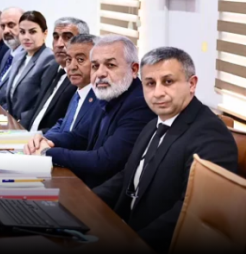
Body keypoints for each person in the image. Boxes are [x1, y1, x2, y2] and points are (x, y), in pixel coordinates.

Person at [93, 47, 238, 253]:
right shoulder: (155, 122)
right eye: (150, 83)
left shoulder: (211, 136)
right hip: (121, 230)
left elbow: (190, 211)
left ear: (192, 84)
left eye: (168, 82)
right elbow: (129, 175)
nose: (158, 92)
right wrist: (86, 201)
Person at [25, 35, 155, 188]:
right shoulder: (109, 93)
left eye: (110, 65)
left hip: (104, 194)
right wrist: (47, 140)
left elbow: (104, 160)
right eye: (95, 66)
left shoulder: (139, 104)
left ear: (133, 69)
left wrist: (47, 153)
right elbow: (80, 136)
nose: (100, 73)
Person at [25, 17, 89, 132]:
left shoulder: (81, 78)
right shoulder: (52, 67)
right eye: (56, 37)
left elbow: (67, 126)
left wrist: (36, 136)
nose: (59, 44)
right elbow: (37, 109)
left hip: (47, 139)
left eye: (68, 37)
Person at [43, 34, 103, 141]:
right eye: (68, 59)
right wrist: (44, 139)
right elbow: (64, 123)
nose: (72, 67)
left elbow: (81, 140)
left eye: (80, 59)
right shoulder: (78, 92)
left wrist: (48, 143)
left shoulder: (101, 99)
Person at [1, 11, 55, 125]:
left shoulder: (49, 59)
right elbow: (12, 96)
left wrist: (20, 123)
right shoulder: (19, 56)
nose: (26, 37)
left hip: (27, 125)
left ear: (45, 33)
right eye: (22, 32)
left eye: (32, 32)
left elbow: (42, 103)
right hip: (10, 122)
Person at [0, 7, 24, 105]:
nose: (5, 31)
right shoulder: (8, 54)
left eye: (11, 25)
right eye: (3, 26)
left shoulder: (30, 58)